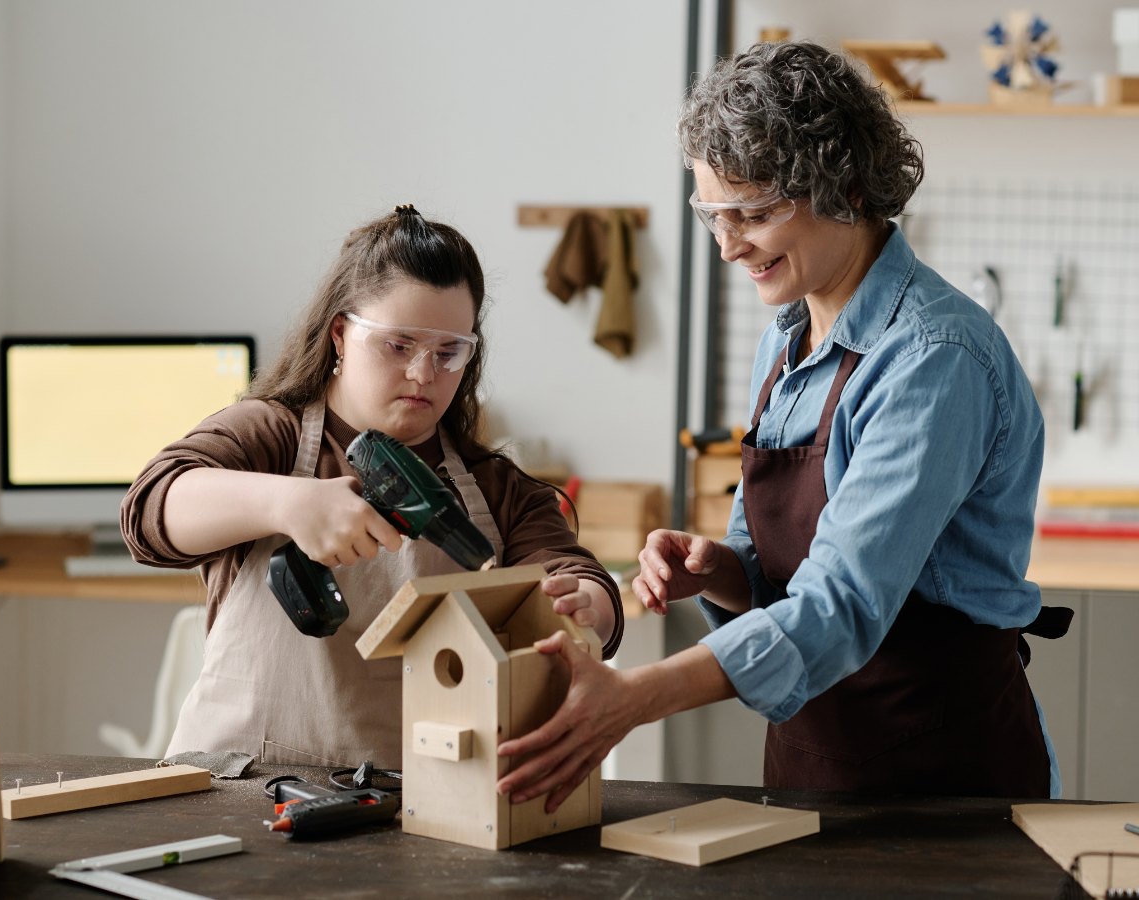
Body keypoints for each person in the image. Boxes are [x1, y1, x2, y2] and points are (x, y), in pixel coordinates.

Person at [497, 41, 1070, 812]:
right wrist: (720, 570)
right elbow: (772, 564)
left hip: (946, 774)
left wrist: (633, 696)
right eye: (713, 214)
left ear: (849, 188)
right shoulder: (787, 337)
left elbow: (841, 603)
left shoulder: (935, 360)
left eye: (756, 213)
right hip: (818, 760)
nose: (730, 245)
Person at [122, 206, 623, 768]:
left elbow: (577, 577)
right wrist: (286, 502)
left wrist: (589, 606)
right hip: (239, 787)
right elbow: (149, 511)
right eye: (399, 345)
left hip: (422, 800)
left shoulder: (495, 487)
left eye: (449, 351)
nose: (423, 374)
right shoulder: (271, 435)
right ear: (342, 334)